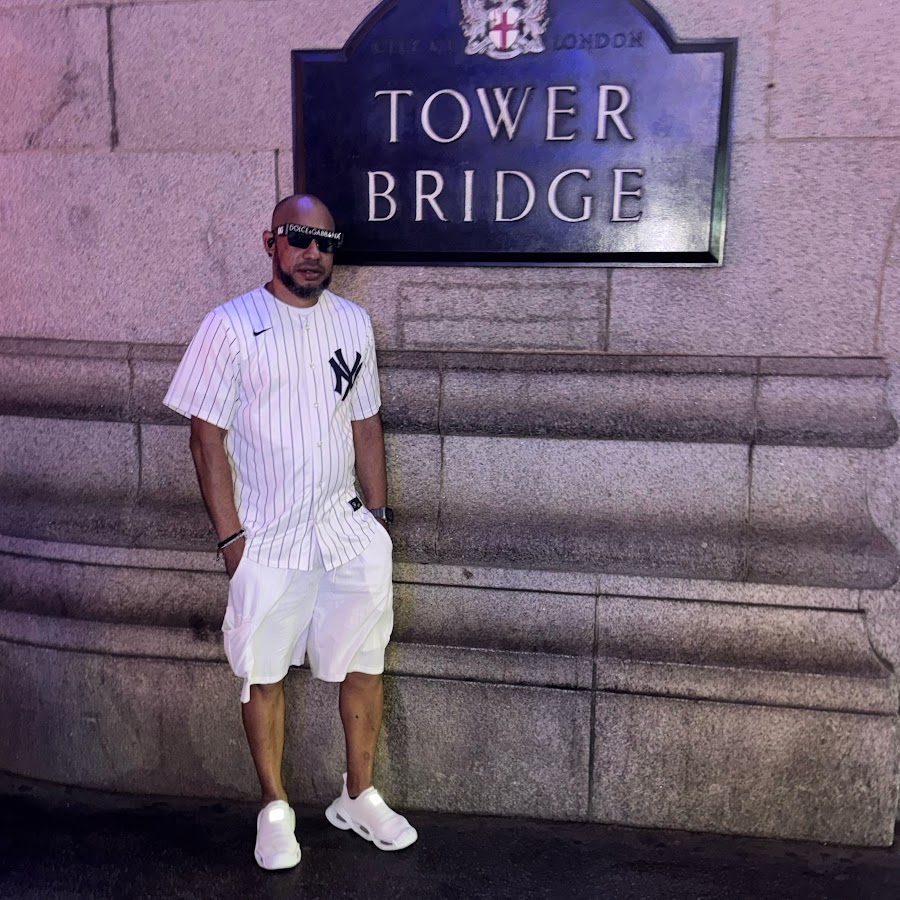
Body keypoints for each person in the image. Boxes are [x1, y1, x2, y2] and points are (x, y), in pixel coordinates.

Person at [163, 194, 417, 870]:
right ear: (270, 241)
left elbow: (366, 423)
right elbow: (204, 440)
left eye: (325, 242)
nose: (312, 253)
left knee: (365, 659)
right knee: (263, 670)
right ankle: (274, 808)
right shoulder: (228, 326)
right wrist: (232, 543)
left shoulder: (353, 322)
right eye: (298, 238)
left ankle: (357, 794)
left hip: (346, 530)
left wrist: (379, 520)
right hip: (267, 538)